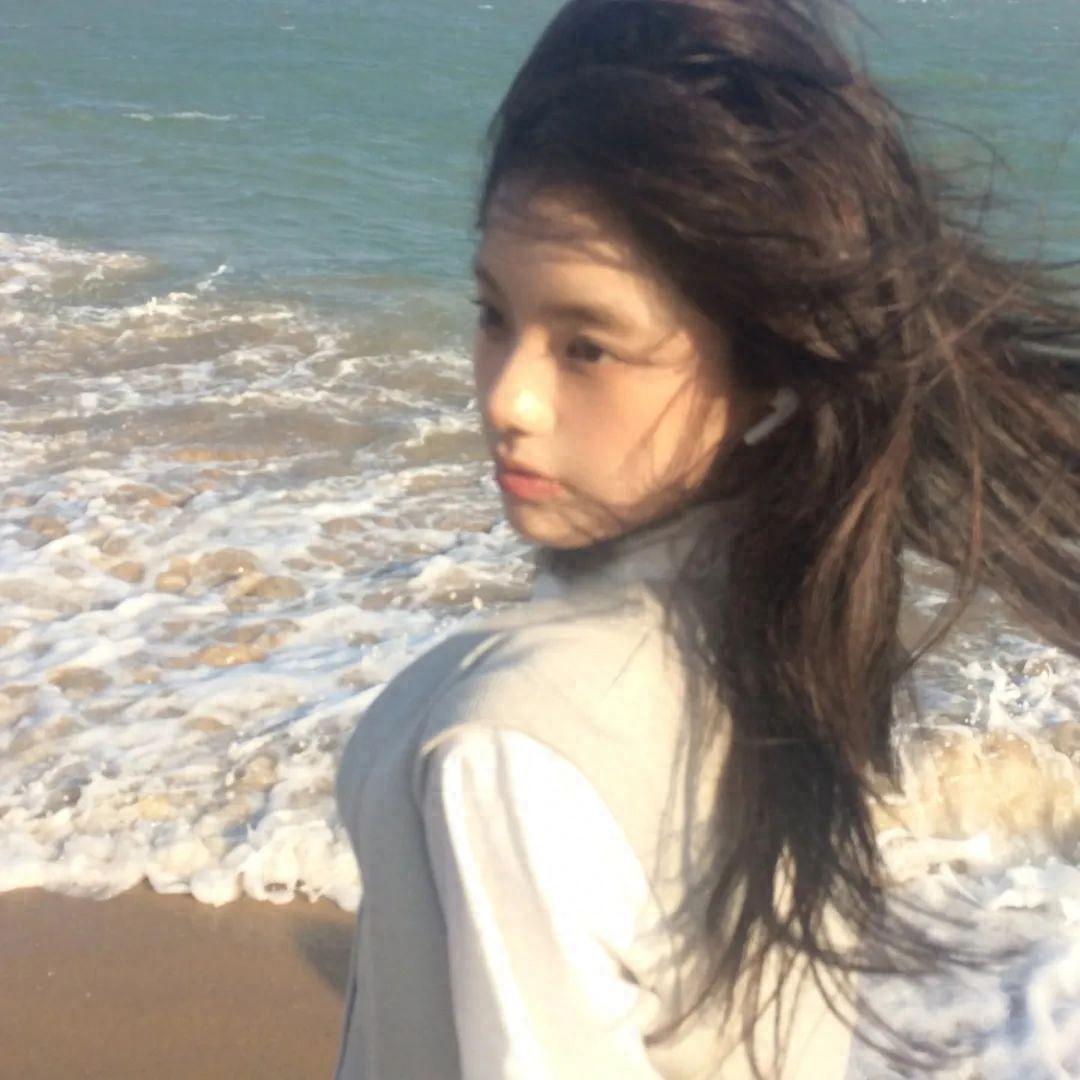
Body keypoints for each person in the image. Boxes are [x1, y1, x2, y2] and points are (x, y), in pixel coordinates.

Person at [333, 1, 1080, 1076]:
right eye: (494, 314)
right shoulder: (797, 634)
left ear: (765, 378)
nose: (508, 399)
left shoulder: (509, 748)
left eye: (589, 346)